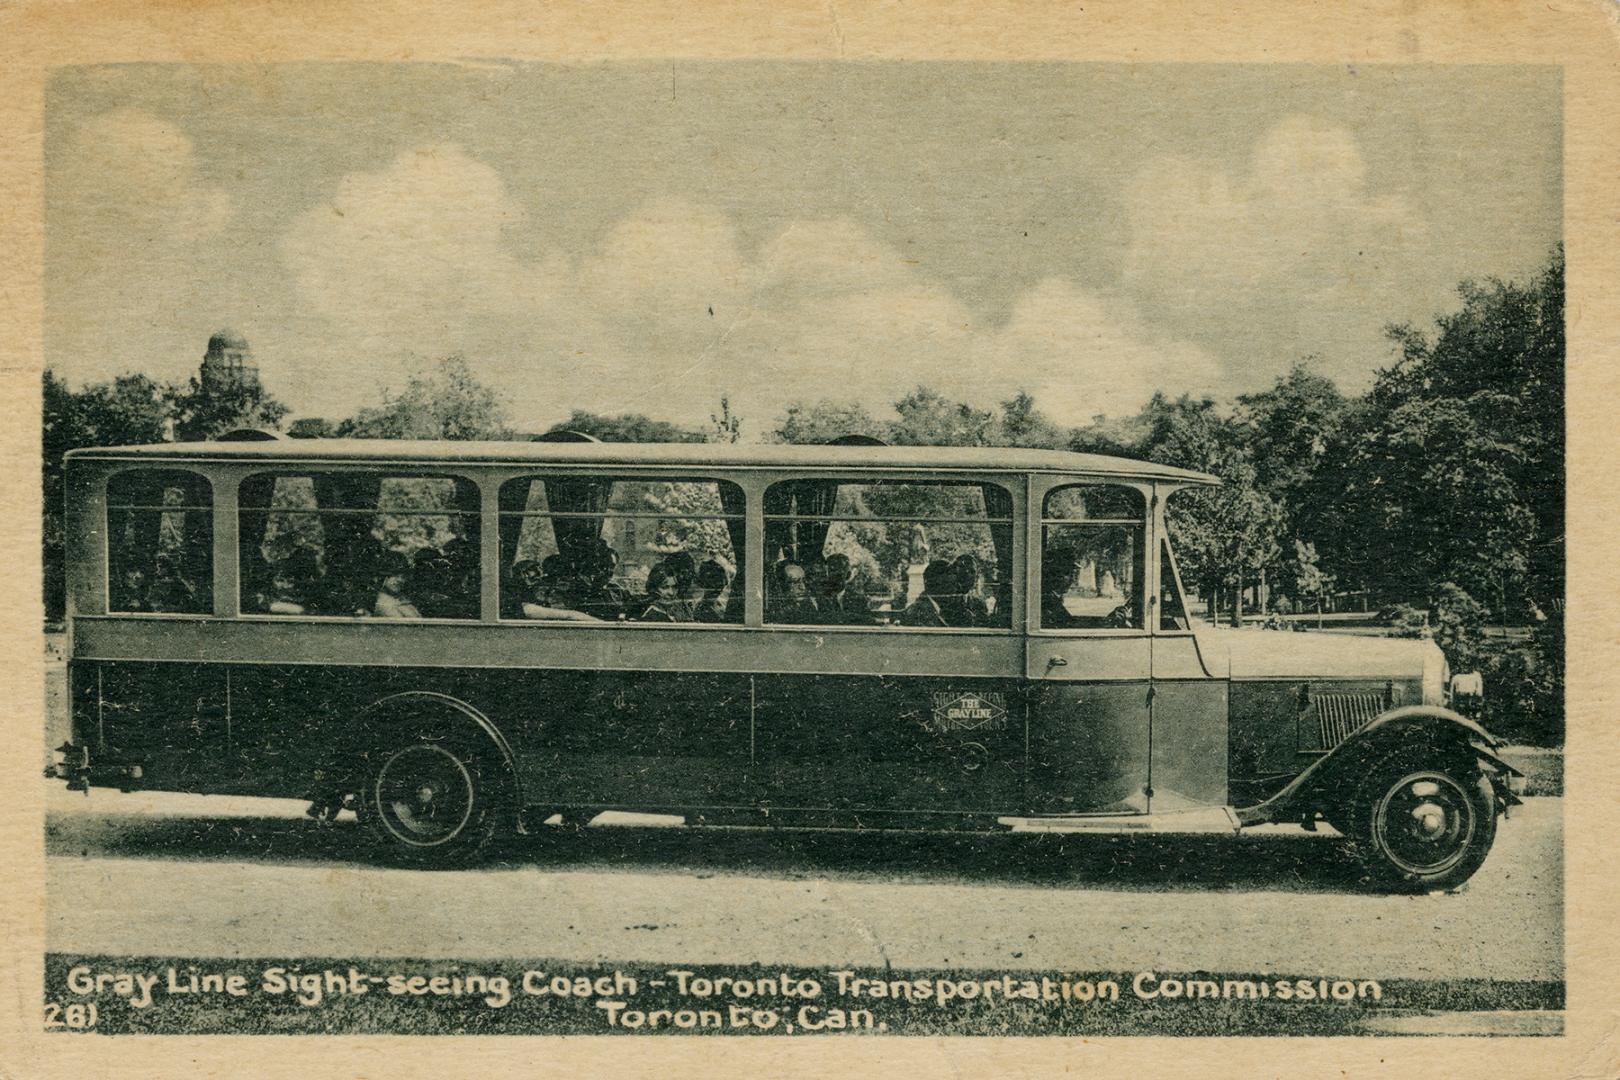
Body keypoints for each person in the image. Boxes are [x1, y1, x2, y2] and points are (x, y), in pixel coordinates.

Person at [815, 553, 873, 625]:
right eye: (831, 573)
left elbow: (868, 622)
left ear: (848, 575)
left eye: (838, 575)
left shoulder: (858, 599)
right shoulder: (819, 599)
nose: (834, 579)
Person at [901, 559, 958, 627]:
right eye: (950, 585)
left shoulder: (946, 610)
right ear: (935, 584)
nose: (955, 591)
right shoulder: (916, 614)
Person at [1041, 543, 1081, 628]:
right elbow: (1067, 625)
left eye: (1073, 574)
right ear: (1056, 575)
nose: (1072, 579)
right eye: (1068, 573)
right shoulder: (1047, 600)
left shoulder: (1053, 598)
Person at [372, 553, 423, 619]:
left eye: (403, 576)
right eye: (394, 575)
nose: (400, 580)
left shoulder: (402, 599)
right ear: (382, 577)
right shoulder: (384, 604)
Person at [951, 554, 991, 628]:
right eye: (963, 571)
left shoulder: (979, 604)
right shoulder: (946, 601)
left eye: (972, 572)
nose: (968, 575)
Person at [692, 558, 732, 623]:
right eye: (712, 582)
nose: (719, 587)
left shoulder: (719, 604)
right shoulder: (702, 610)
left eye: (720, 581)